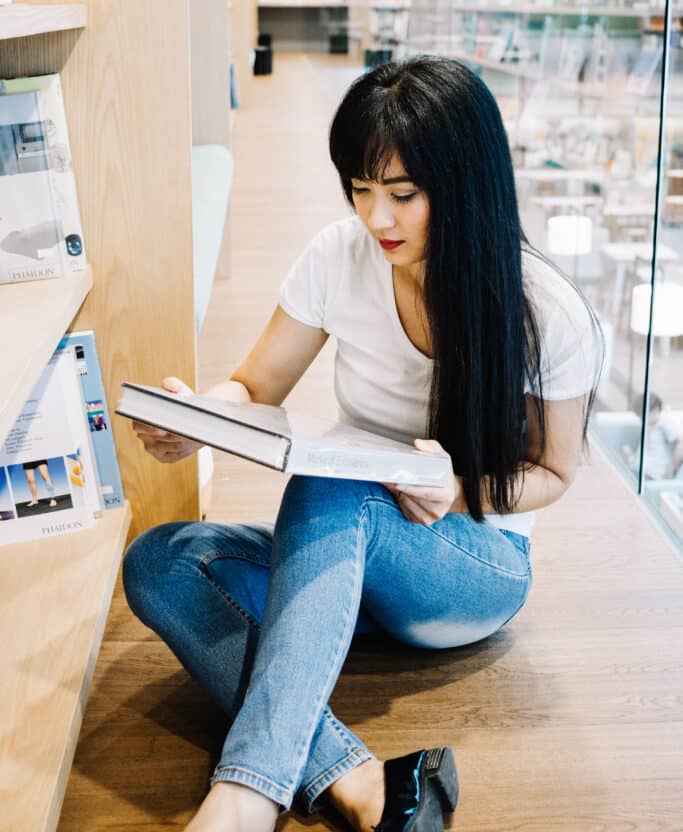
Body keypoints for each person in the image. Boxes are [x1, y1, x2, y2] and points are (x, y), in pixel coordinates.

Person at [122, 56, 604, 832]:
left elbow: (554, 470)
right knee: (160, 563)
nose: (377, 218)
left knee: (332, 483)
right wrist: (199, 422)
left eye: (403, 195)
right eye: (360, 189)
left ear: (464, 182)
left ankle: (246, 797)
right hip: (347, 551)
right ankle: (359, 784)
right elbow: (254, 386)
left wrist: (461, 488)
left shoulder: (543, 308)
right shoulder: (336, 258)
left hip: (470, 563)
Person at [626, 392, 683, 480]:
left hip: (652, 475)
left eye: (643, 415)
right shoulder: (651, 424)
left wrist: (671, 469)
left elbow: (681, 443)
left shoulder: (665, 422)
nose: (641, 419)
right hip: (639, 471)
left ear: (655, 410)